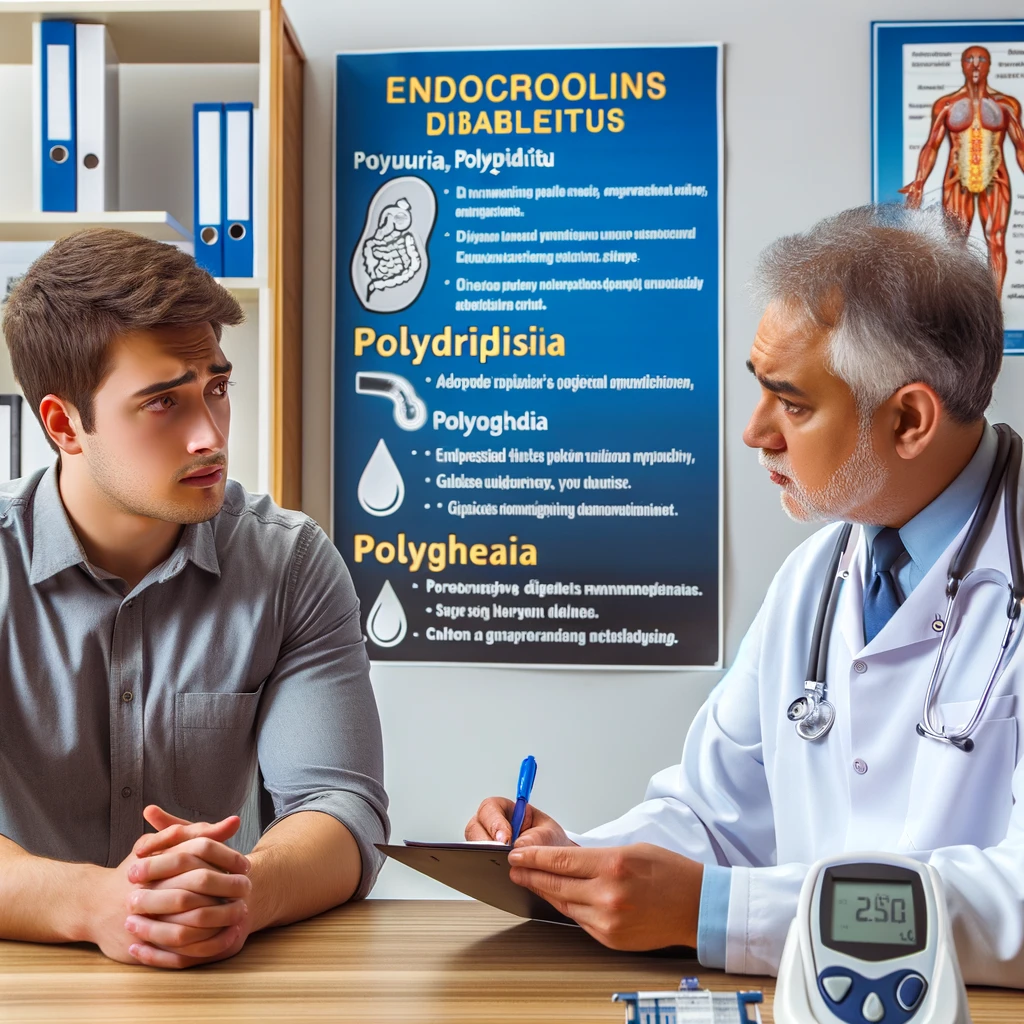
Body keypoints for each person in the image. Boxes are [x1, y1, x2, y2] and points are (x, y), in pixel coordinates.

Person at [467, 205, 1024, 987]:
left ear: (909, 419)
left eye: (792, 405)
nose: (755, 431)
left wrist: (718, 913)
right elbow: (713, 815)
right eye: (761, 393)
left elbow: (1017, 900)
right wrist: (576, 862)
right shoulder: (814, 580)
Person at [0, 229, 389, 969]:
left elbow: (343, 810)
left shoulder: (290, 563)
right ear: (62, 425)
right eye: (163, 403)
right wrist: (98, 904)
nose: (208, 434)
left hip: (227, 982)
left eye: (215, 387)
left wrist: (246, 891)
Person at [900, 45, 1024, 296]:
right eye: (970, 59)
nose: (976, 64)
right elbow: (931, 146)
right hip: (957, 179)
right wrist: (920, 182)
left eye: (982, 59)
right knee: (955, 244)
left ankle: (994, 309)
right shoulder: (946, 105)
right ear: (962, 65)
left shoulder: (1007, 105)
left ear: (989, 65)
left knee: (996, 241)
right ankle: (961, 307)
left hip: (995, 177)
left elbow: (1020, 146)